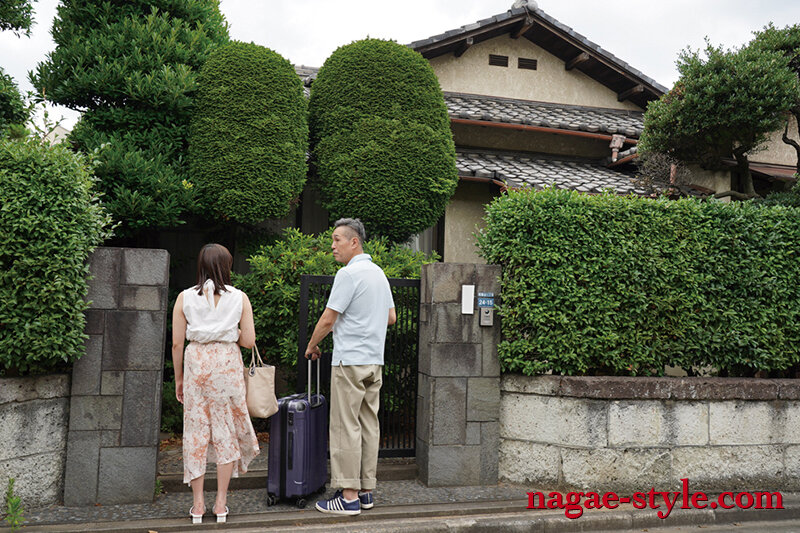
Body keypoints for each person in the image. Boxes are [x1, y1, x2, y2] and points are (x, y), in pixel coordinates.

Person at [306, 218, 396, 516]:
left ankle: (348, 496)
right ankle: (366, 491)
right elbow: (391, 318)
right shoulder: (379, 273)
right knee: (369, 424)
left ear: (354, 242)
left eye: (337, 240)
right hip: (374, 360)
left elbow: (328, 319)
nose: (333, 246)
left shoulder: (348, 274)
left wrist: (312, 345)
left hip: (349, 361)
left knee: (346, 426)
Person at [172, 243, 260, 524]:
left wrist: (179, 379)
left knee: (196, 431)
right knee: (225, 431)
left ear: (201, 266)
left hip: (196, 364)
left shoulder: (184, 297)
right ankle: (220, 503)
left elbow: (177, 343)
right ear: (227, 266)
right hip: (226, 366)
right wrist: (228, 331)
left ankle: (198, 505)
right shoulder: (240, 298)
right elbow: (249, 341)